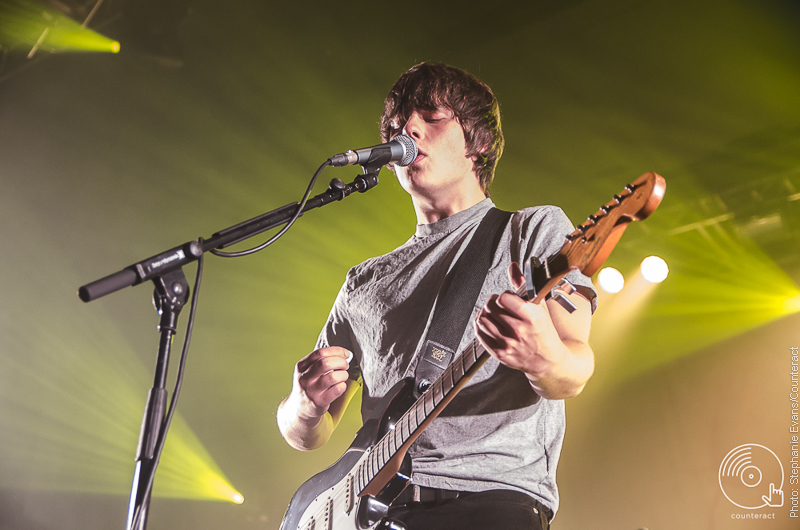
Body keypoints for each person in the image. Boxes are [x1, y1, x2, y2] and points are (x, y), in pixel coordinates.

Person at [277, 62, 596, 530]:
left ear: (479, 142)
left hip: (486, 503)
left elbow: (574, 370)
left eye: (430, 115)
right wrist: (304, 403)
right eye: (398, 122)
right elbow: (308, 435)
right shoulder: (363, 282)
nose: (407, 127)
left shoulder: (532, 231)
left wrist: (543, 358)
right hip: (370, 511)